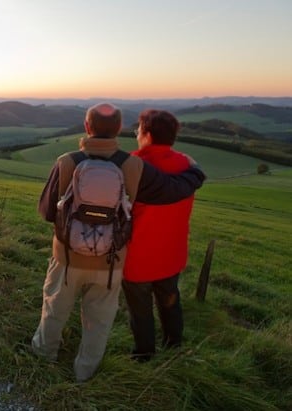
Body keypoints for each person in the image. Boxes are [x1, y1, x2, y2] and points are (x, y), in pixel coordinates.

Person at [31, 102, 205, 382]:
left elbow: (47, 211)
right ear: (120, 129)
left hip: (67, 258)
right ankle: (84, 373)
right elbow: (174, 190)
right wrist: (195, 174)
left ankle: (42, 358)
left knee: (54, 309)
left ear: (87, 127)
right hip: (110, 263)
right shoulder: (134, 165)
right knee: (98, 322)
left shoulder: (66, 161)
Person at [122, 110, 194, 362]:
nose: (137, 135)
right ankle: (174, 348)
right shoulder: (186, 165)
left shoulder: (132, 163)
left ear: (147, 134)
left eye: (139, 130)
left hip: (138, 255)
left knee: (140, 310)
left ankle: (144, 355)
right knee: (170, 302)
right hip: (172, 253)